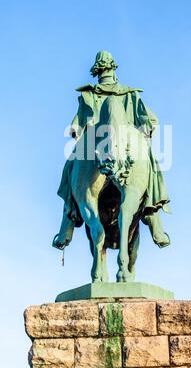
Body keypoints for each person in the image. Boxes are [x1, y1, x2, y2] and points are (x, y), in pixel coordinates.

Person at [54, 51, 171, 249]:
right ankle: (154, 220)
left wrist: (76, 130)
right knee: (151, 164)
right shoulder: (129, 93)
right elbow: (150, 119)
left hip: (94, 144)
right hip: (124, 145)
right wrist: (147, 129)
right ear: (113, 69)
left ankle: (67, 226)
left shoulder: (89, 94)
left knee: (70, 168)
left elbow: (78, 123)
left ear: (97, 71)